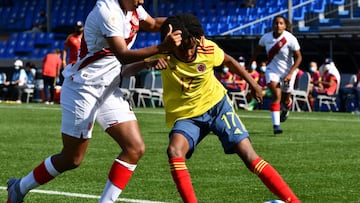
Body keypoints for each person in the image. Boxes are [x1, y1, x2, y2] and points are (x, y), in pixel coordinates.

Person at [6, 0, 181, 202]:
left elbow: (153, 24)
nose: (141, 1)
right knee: (72, 159)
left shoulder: (132, 7)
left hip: (108, 89)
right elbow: (123, 55)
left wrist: (184, 23)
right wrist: (162, 47)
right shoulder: (107, 11)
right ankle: (19, 187)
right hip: (83, 89)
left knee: (135, 148)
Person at [130, 13, 300, 203]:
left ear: (199, 40)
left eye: (191, 47)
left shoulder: (207, 48)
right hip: (187, 115)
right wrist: (148, 62)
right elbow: (126, 65)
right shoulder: (163, 53)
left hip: (218, 106)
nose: (187, 53)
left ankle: (293, 201)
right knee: (174, 151)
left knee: (248, 154)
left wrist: (253, 84)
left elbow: (229, 61)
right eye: (182, 48)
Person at [249, 15, 302, 134]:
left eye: (281, 23)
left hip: (288, 72)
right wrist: (251, 62)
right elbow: (257, 50)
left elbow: (299, 57)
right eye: (276, 23)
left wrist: (290, 73)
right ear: (273, 25)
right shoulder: (266, 38)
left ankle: (287, 107)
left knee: (285, 99)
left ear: (285, 25)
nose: (278, 25)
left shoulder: (290, 39)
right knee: (276, 96)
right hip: (272, 70)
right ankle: (276, 126)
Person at [60, 21, 84, 85]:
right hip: (73, 63)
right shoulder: (71, 37)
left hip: (84, 63)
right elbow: (65, 49)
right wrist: (64, 61)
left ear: (83, 27)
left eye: (80, 27)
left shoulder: (86, 37)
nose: (78, 29)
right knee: (71, 82)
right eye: (77, 27)